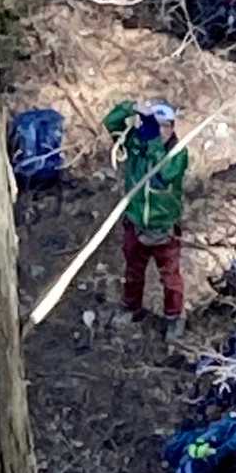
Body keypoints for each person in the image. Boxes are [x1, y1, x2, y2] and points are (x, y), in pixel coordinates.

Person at [103, 98, 189, 340]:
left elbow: (164, 172)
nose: (160, 131)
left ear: (172, 127)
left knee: (170, 277)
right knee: (133, 271)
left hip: (164, 227)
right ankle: (132, 308)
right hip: (136, 223)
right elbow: (111, 122)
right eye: (155, 125)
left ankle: (174, 317)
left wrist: (151, 139)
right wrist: (132, 107)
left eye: (165, 126)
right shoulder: (135, 143)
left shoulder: (178, 153)